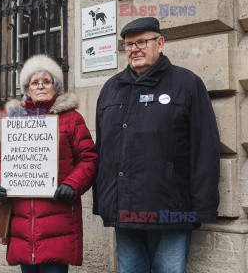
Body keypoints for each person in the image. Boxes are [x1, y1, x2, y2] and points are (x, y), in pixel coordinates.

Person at [92, 17, 220, 273]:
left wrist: (201, 208)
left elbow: (205, 148)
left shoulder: (186, 84)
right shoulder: (111, 88)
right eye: (128, 44)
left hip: (171, 211)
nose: (134, 49)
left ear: (160, 43)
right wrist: (104, 201)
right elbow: (103, 149)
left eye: (141, 41)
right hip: (124, 210)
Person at [0, 54, 98, 273]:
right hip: (22, 222)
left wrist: (72, 184)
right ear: (27, 89)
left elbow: (88, 158)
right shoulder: (16, 121)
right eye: (34, 82)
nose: (40, 86)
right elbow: (1, 159)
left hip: (57, 219)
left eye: (46, 82)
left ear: (55, 87)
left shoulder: (72, 119)